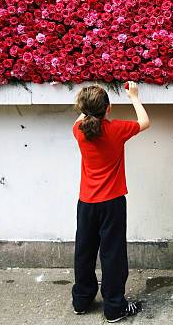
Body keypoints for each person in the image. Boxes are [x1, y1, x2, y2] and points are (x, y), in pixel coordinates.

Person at [71, 82, 150, 322]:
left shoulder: (78, 131)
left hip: (86, 203)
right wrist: (134, 96)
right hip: (112, 203)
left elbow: (81, 117)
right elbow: (145, 122)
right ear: (109, 108)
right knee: (112, 254)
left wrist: (88, 105)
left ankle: (82, 300)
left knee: (84, 251)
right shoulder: (116, 129)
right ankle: (114, 307)